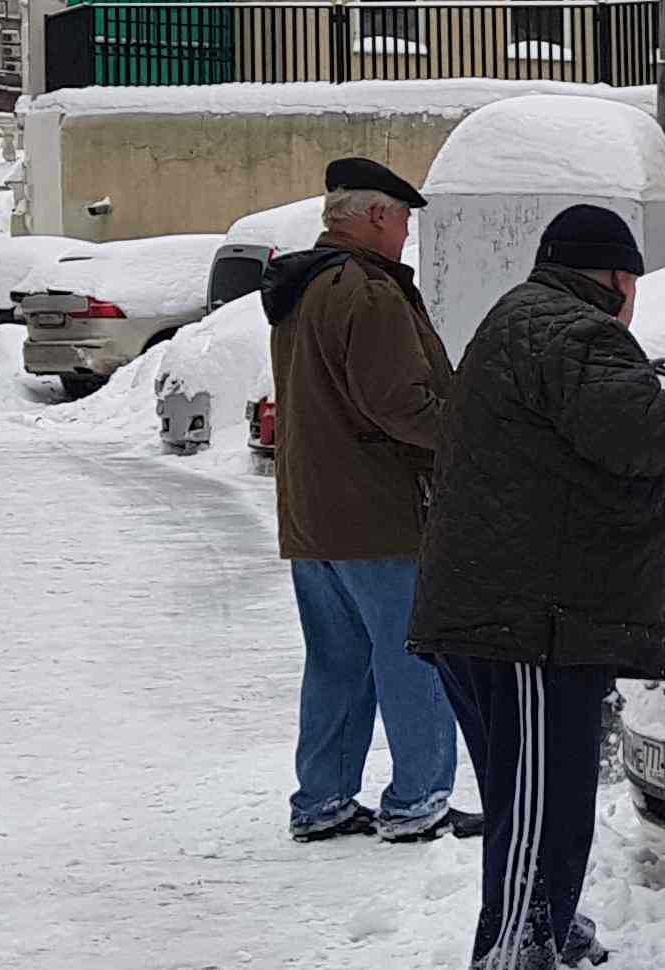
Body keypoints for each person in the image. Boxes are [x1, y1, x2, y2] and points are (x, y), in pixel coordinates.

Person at [408, 205, 665, 969]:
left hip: (495, 611)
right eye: (632, 281)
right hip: (531, 624)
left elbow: (576, 456)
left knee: (527, 800)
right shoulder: (578, 332)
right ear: (614, 278)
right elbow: (642, 432)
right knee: (544, 809)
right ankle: (517, 950)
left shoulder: (521, 318)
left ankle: (546, 923)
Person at [261, 157, 481, 844]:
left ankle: (322, 799)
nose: (407, 233)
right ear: (377, 215)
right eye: (404, 219)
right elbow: (400, 404)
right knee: (413, 657)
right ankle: (418, 799)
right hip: (380, 512)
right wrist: (473, 437)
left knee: (336, 664)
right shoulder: (368, 292)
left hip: (312, 513)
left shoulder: (303, 287)